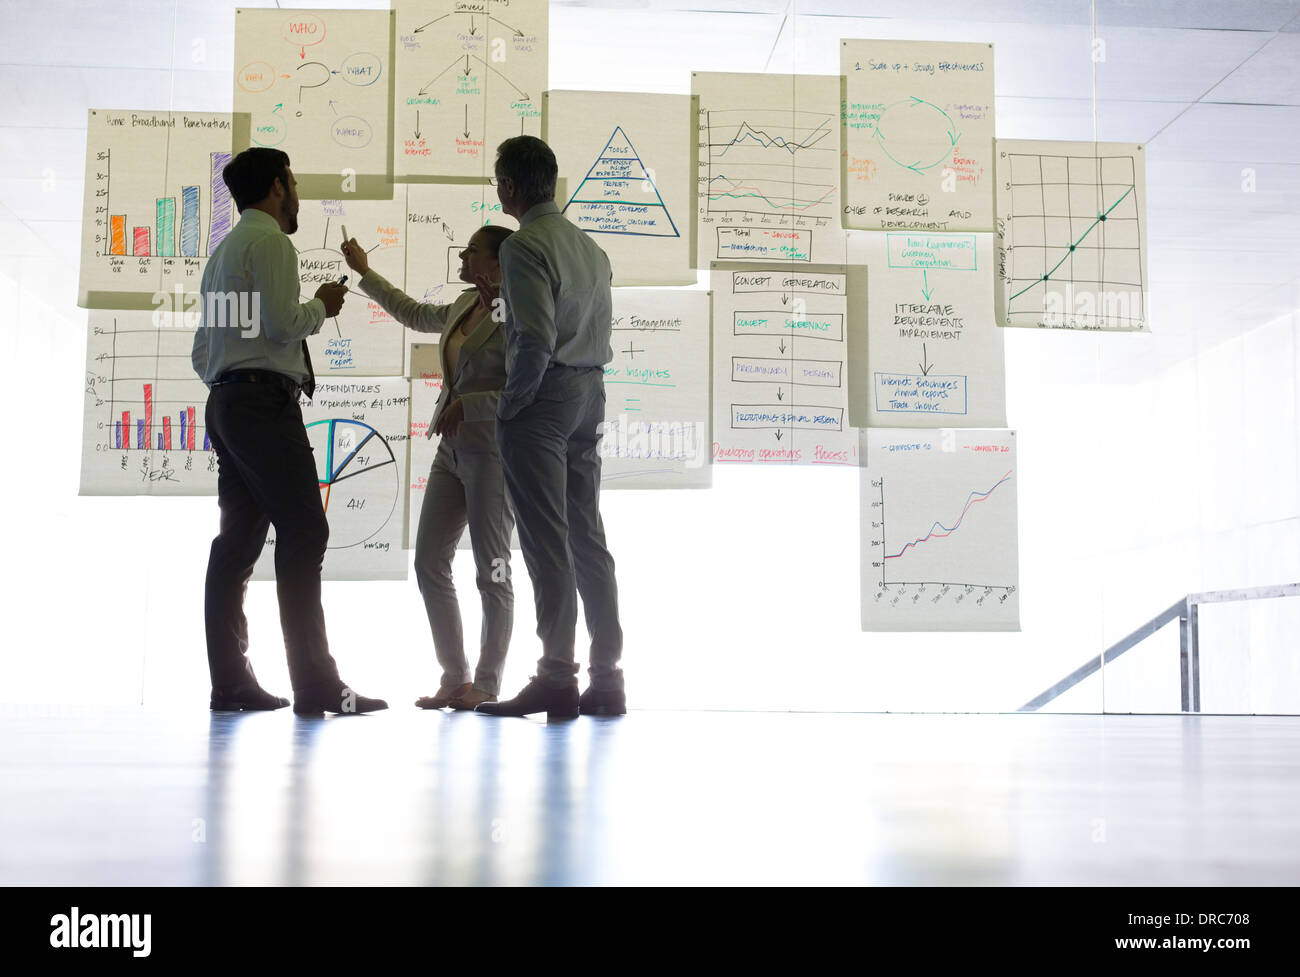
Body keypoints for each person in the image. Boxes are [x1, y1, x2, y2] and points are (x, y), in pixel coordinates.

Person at [192, 147, 387, 717]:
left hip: (228, 402)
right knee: (304, 532)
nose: (297, 193)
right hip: (262, 404)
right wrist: (323, 305)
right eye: (294, 183)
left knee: (237, 546)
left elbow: (204, 349)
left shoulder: (224, 252)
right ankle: (317, 685)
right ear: (277, 187)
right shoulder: (272, 243)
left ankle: (231, 683)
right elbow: (283, 323)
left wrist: (231, 380)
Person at [477, 136, 626, 719]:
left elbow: (534, 338)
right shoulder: (589, 247)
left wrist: (512, 405)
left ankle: (557, 677)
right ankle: (607, 678)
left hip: (543, 400)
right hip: (590, 392)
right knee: (587, 537)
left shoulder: (522, 247)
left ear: (509, 187)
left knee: (544, 542)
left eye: (497, 183)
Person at [340, 226, 515, 711]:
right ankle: (455, 677)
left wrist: (473, 404)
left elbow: (529, 392)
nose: (463, 253)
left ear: (498, 264)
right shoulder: (463, 303)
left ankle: (487, 683)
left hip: (493, 456)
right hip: (451, 449)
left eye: (473, 250)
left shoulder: (520, 313)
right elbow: (414, 314)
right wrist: (366, 274)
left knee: (492, 572)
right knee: (428, 561)